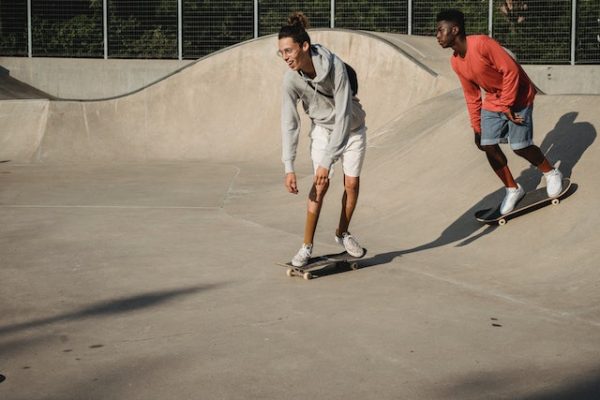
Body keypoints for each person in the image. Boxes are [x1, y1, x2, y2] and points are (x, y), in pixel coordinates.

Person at [436, 9, 563, 214]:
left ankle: (551, 172)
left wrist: (508, 106)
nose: (437, 36)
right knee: (488, 145)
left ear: (455, 29)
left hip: (519, 95)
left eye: (440, 30)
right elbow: (472, 95)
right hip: (494, 100)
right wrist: (477, 128)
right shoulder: (455, 61)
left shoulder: (482, 44)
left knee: (520, 147)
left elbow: (510, 71)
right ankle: (513, 189)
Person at [278, 12, 367, 267]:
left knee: (351, 184)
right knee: (320, 184)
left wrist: (327, 160)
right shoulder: (290, 80)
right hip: (322, 131)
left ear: (304, 46)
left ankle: (342, 233)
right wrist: (289, 166)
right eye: (281, 53)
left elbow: (343, 114)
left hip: (352, 127)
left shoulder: (334, 66)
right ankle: (306, 246)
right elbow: (289, 123)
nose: (285, 57)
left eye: (289, 51)